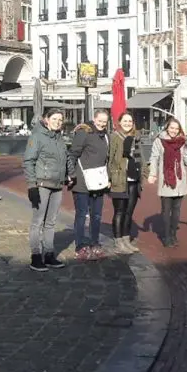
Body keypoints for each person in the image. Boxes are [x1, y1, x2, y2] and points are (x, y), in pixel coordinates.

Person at [24, 108, 73, 271]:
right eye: (54, 119)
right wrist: (32, 186)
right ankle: (36, 256)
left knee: (51, 222)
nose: (58, 122)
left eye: (60, 120)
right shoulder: (37, 137)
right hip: (42, 185)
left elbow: (65, 158)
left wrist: (70, 175)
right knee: (38, 222)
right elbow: (28, 161)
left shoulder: (60, 138)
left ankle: (49, 254)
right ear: (46, 119)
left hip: (57, 186)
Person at [148, 118, 187, 247]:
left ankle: (173, 234)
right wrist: (152, 174)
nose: (174, 131)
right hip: (166, 179)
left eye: (176, 129)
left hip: (179, 179)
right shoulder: (159, 141)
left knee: (177, 209)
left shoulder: (181, 142)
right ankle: (167, 236)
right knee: (166, 209)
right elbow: (154, 158)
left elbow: (186, 158)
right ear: (167, 128)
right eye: (172, 128)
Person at [68, 110, 110, 261]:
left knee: (96, 215)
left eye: (105, 121)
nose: (102, 124)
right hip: (82, 181)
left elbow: (106, 159)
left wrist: (108, 178)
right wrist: (70, 174)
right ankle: (80, 246)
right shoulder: (84, 132)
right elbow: (73, 154)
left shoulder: (106, 136)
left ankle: (95, 243)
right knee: (81, 215)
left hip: (98, 181)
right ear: (94, 119)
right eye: (100, 121)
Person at [108, 112, 149, 254]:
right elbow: (110, 158)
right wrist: (110, 178)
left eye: (130, 121)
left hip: (134, 179)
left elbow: (141, 157)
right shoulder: (115, 137)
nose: (127, 123)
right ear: (119, 122)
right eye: (125, 121)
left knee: (129, 212)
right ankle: (118, 242)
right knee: (119, 211)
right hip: (120, 179)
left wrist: (145, 173)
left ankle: (126, 240)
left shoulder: (136, 137)